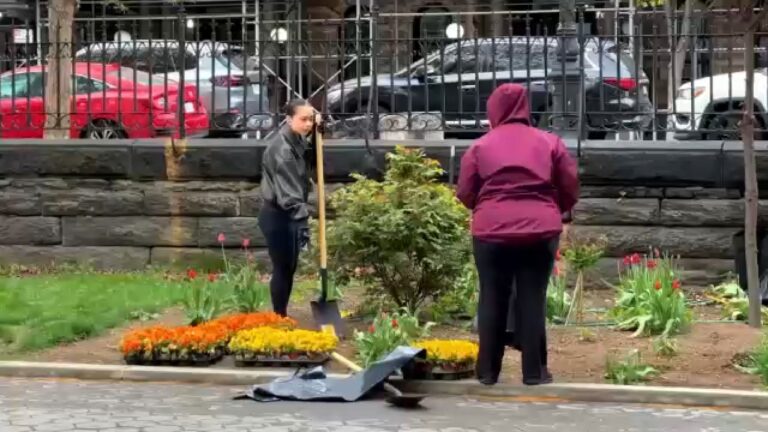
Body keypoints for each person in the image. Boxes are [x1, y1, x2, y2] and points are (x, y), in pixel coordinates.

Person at [456, 83, 579, 386]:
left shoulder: (480, 147)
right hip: (539, 230)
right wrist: (555, 209)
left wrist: (486, 208)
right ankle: (534, 372)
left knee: (491, 296)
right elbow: (570, 185)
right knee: (532, 297)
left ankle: (488, 372)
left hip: (491, 232)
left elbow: (465, 192)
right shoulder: (550, 142)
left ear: (494, 109)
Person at [259, 99, 321, 317]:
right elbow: (290, 192)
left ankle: (281, 315)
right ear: (288, 119)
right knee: (283, 268)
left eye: (311, 119)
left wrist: (318, 133)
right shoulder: (282, 150)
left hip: (288, 215)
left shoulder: (296, 139)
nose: (308, 124)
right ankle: (279, 316)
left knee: (289, 268)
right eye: (303, 119)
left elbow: (311, 158)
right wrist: (302, 222)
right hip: (278, 215)